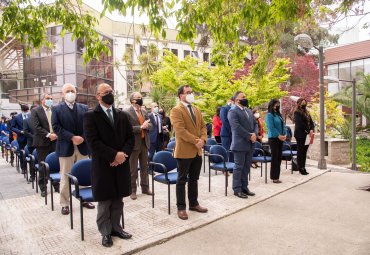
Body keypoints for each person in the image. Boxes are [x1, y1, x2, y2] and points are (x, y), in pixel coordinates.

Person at [84, 83, 134, 248]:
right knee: (105, 202)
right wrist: (113, 155)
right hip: (103, 165)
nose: (109, 95)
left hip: (121, 164)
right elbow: (93, 142)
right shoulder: (91, 116)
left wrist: (122, 156)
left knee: (118, 199)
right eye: (105, 92)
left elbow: (130, 139)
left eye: (111, 92)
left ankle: (116, 228)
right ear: (98, 96)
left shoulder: (122, 114)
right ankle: (105, 232)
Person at [52, 83, 94, 215]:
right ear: (62, 94)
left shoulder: (84, 107)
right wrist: (72, 137)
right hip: (66, 147)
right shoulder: (57, 109)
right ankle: (64, 203)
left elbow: (89, 126)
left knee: (84, 174)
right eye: (67, 91)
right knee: (65, 176)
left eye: (72, 91)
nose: (70, 93)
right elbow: (56, 127)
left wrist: (81, 137)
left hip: (82, 146)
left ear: (76, 93)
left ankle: (84, 199)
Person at [170, 85, 208, 220]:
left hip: (197, 151)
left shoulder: (196, 109)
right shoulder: (176, 110)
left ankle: (193, 203)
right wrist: (196, 141)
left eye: (191, 92)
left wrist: (203, 139)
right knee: (181, 180)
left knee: (194, 179)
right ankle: (181, 207)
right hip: (184, 151)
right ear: (181, 95)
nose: (191, 94)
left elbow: (204, 126)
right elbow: (180, 130)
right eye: (188, 92)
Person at [228, 91, 257, 199]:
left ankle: (245, 187)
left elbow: (255, 124)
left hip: (250, 144)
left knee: (246, 167)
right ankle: (237, 189)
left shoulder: (248, 110)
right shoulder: (232, 111)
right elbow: (236, 127)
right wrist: (249, 135)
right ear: (237, 100)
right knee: (238, 167)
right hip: (240, 144)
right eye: (243, 97)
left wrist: (255, 134)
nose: (245, 98)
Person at [124, 92, 153, 200]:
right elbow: (127, 129)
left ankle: (145, 188)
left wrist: (146, 126)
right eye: (138, 98)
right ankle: (133, 190)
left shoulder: (144, 111)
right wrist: (140, 127)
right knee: (133, 169)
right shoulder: (127, 112)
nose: (140, 99)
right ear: (132, 100)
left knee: (145, 166)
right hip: (134, 144)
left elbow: (150, 125)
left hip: (144, 142)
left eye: (141, 97)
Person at [31, 94, 59, 195]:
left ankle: (56, 185)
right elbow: (36, 126)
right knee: (43, 165)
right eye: (47, 99)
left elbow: (58, 124)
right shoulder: (36, 111)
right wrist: (48, 135)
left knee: (55, 164)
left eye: (51, 99)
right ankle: (43, 187)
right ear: (42, 100)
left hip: (55, 141)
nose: (50, 100)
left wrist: (56, 134)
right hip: (42, 142)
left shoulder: (55, 110)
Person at [265, 99, 287, 183]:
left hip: (281, 138)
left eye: (278, 104)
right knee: (275, 158)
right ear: (272, 105)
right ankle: (274, 177)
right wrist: (278, 135)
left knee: (279, 157)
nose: (277, 106)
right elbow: (271, 127)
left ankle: (277, 176)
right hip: (274, 139)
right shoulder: (269, 115)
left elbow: (283, 125)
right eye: (275, 104)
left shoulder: (278, 115)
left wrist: (285, 134)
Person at [294, 98, 314, 175]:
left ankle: (303, 167)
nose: (304, 104)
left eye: (305, 102)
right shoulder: (297, 112)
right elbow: (300, 124)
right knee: (300, 151)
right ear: (299, 103)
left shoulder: (307, 112)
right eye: (302, 102)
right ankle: (300, 168)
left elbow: (311, 122)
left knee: (304, 151)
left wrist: (312, 129)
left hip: (307, 135)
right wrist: (308, 131)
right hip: (300, 135)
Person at [23, 104, 37, 177]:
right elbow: (26, 131)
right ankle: (32, 175)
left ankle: (43, 175)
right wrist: (34, 137)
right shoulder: (26, 120)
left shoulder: (42, 119)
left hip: (43, 143)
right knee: (32, 160)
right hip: (32, 143)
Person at [220, 97, 234, 161]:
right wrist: (232, 130)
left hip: (233, 134)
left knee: (232, 151)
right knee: (226, 151)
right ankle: (224, 168)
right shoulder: (224, 108)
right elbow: (224, 121)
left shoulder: (234, 109)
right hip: (226, 133)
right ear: (230, 101)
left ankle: (231, 168)